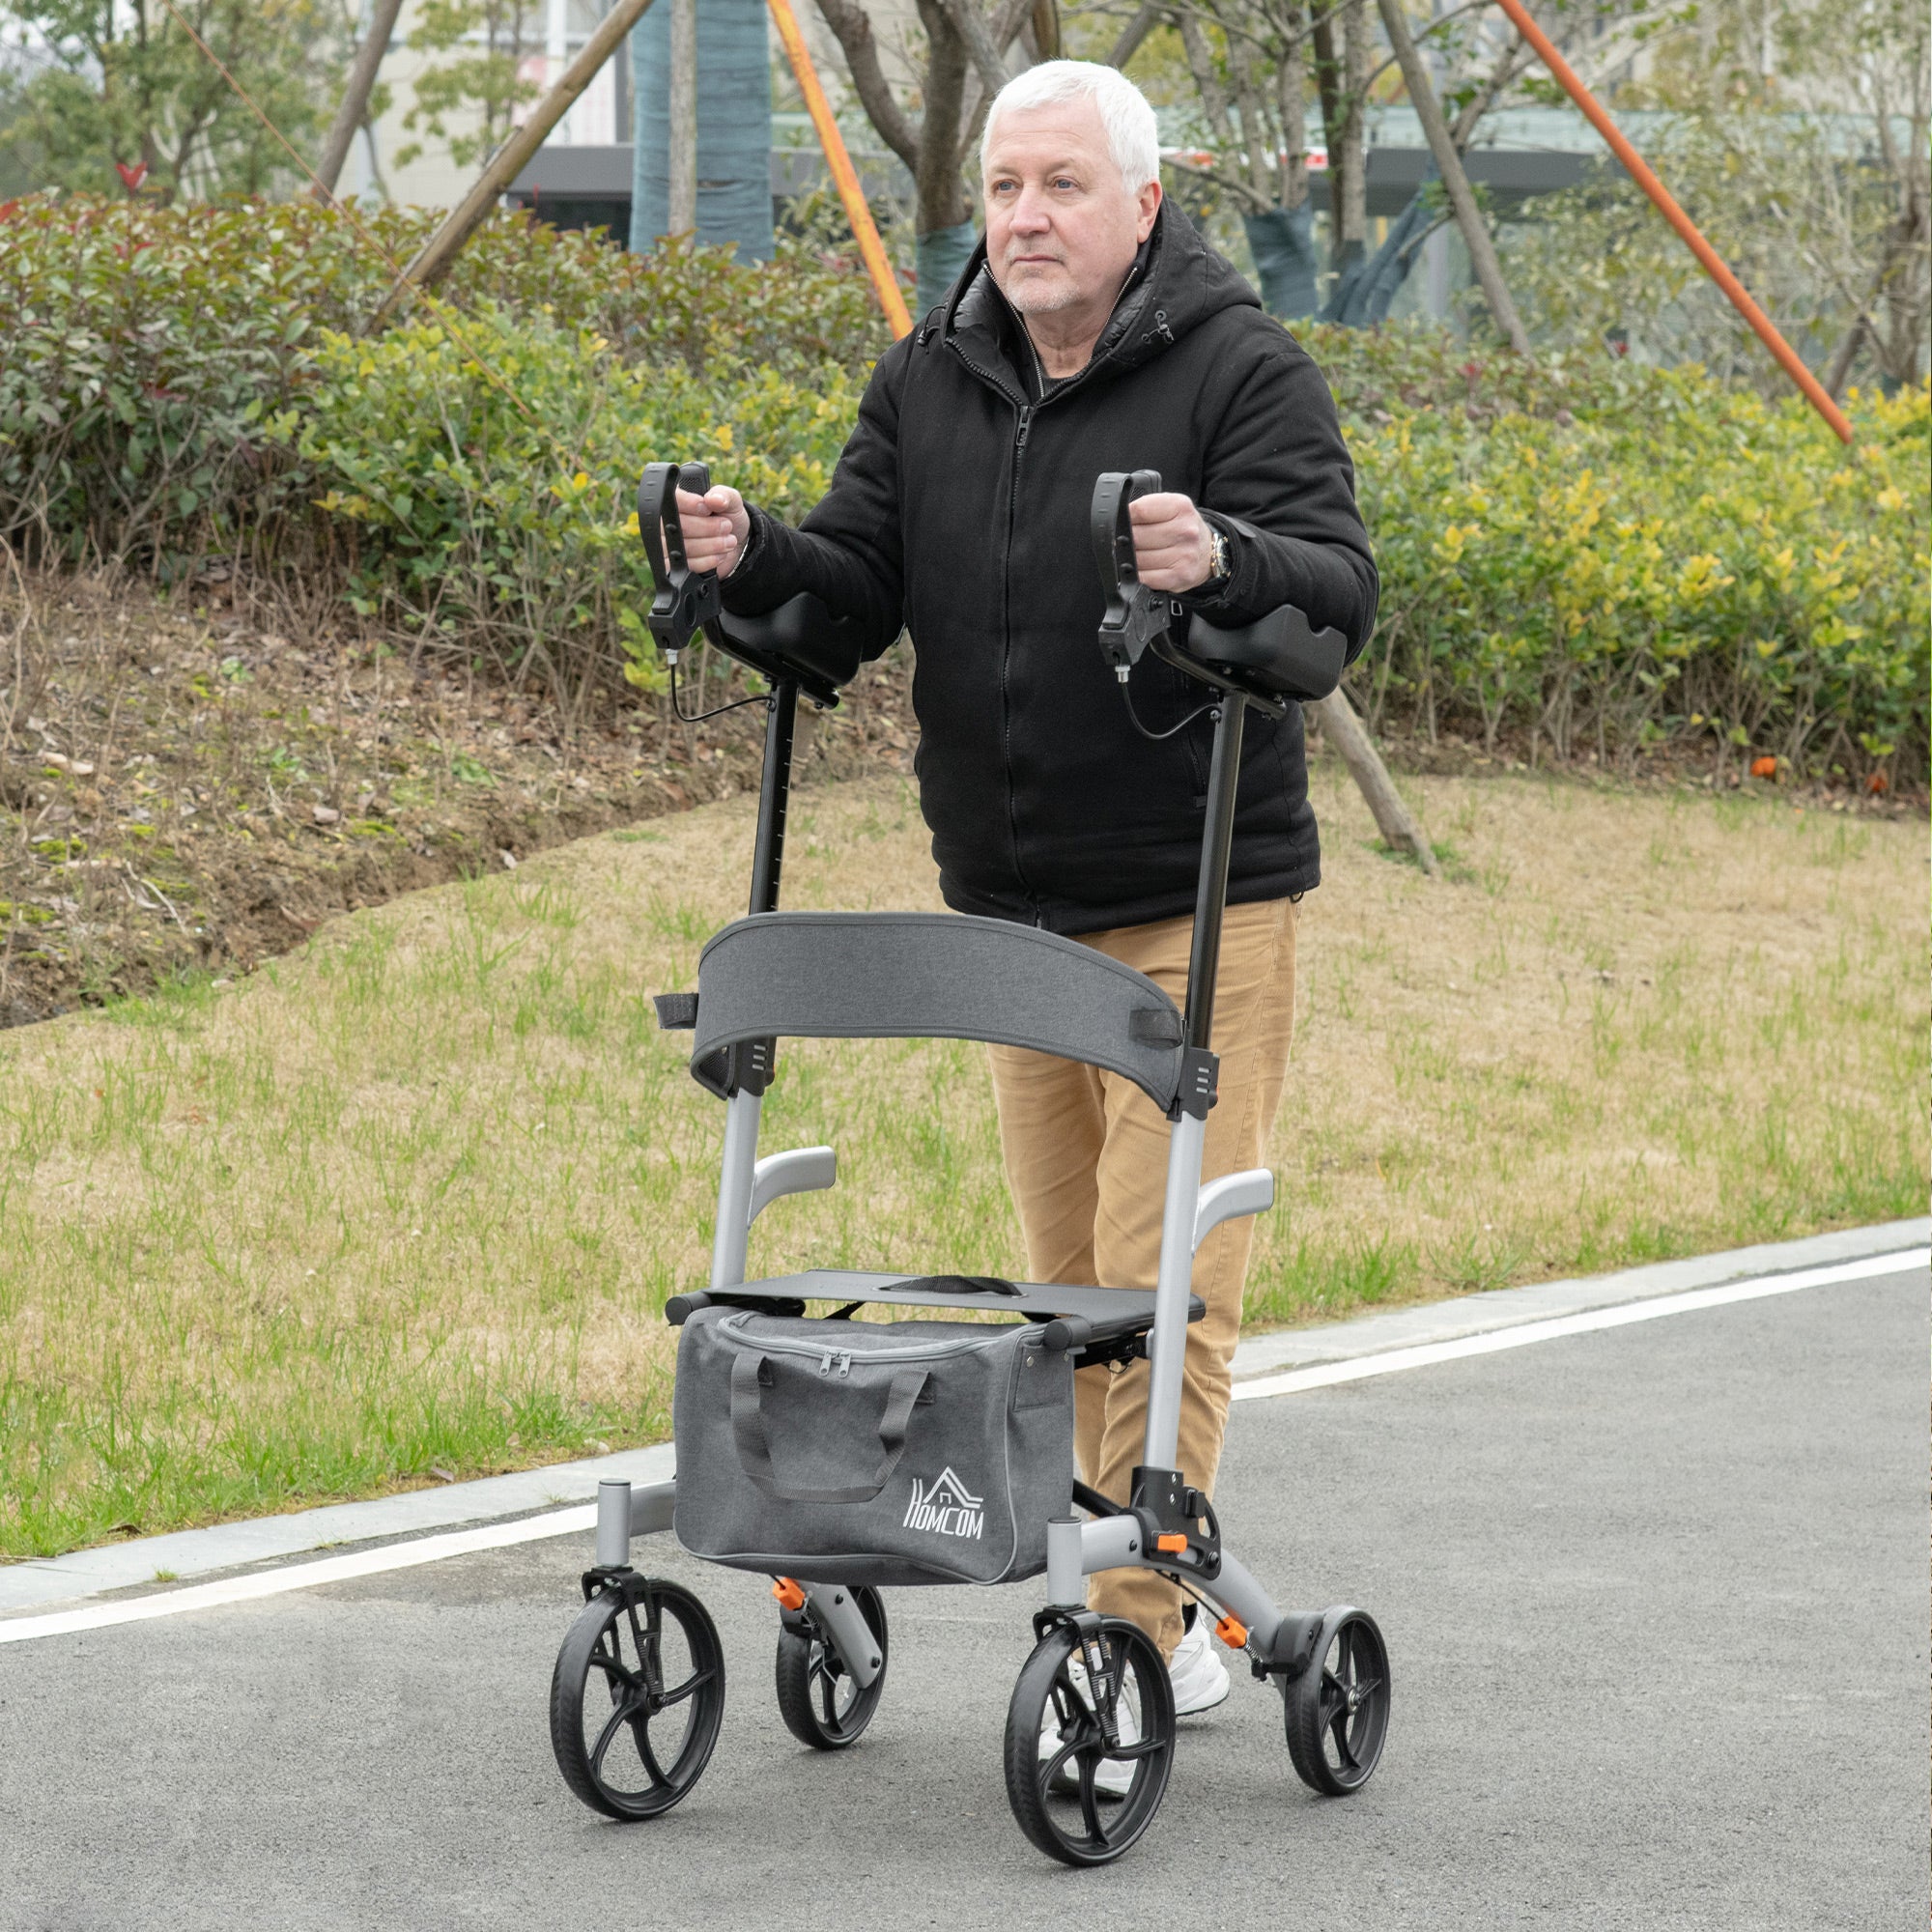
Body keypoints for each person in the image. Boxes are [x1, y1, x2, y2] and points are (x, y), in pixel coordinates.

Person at [674, 60, 1376, 1730]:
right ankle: (1138, 1584)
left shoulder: (1239, 372)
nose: (1025, 218)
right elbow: (847, 595)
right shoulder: (931, 374)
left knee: (1158, 1287)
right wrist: (750, 553)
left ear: (1144, 204)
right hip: (1010, 921)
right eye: (1003, 188)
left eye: (1062, 185)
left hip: (1195, 906)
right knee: (1063, 1294)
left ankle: (1135, 1625)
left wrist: (1232, 563)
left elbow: (1338, 597)